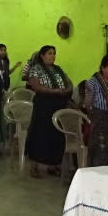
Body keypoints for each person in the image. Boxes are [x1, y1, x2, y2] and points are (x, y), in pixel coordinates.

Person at [25, 45, 72, 178]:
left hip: (58, 105)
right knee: (40, 134)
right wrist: (54, 91)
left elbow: (68, 82)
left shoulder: (58, 69)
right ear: (42, 55)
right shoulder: (36, 69)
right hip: (43, 105)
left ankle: (52, 165)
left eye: (54, 53)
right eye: (50, 53)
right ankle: (34, 166)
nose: (53, 56)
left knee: (56, 135)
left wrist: (67, 90)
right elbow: (35, 85)